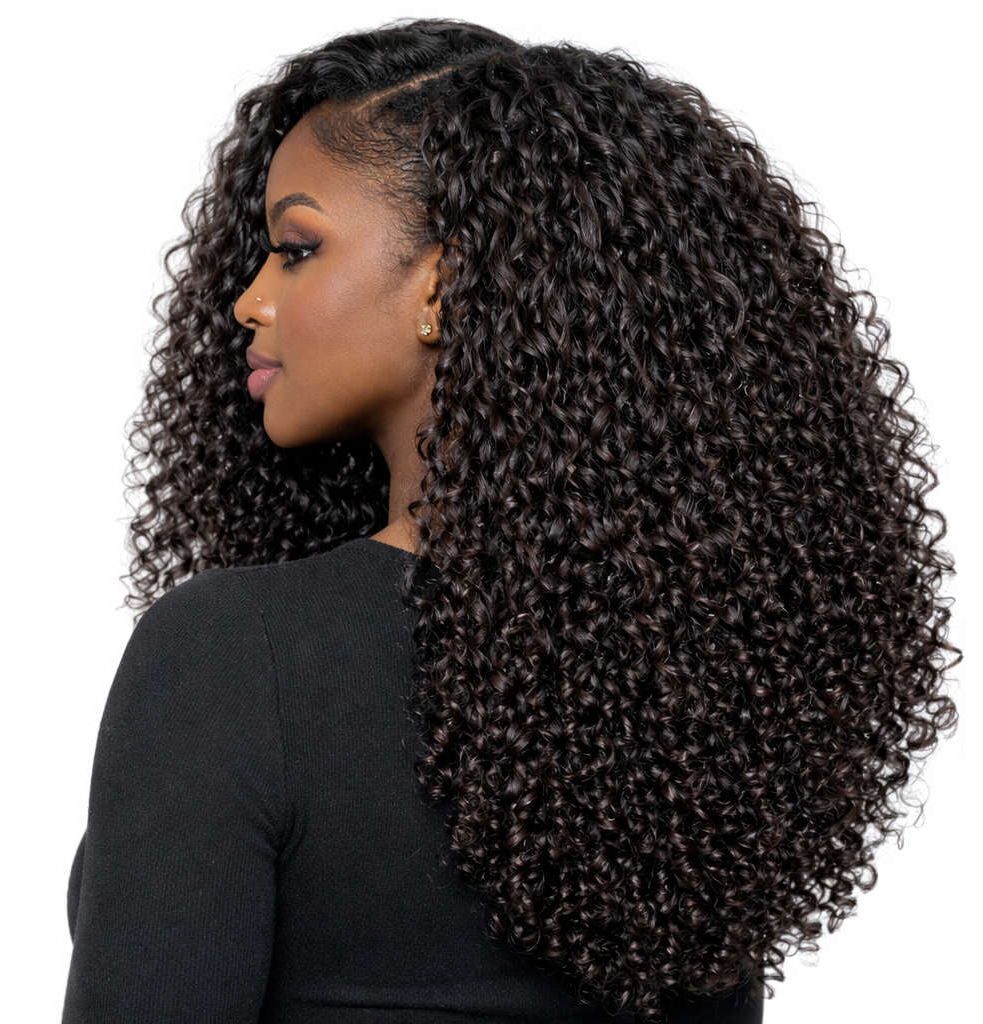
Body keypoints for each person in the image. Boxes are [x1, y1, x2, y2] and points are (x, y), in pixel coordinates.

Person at [59, 18, 961, 1024]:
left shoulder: (237, 655)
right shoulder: (698, 683)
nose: (248, 301)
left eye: (296, 250)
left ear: (444, 282)